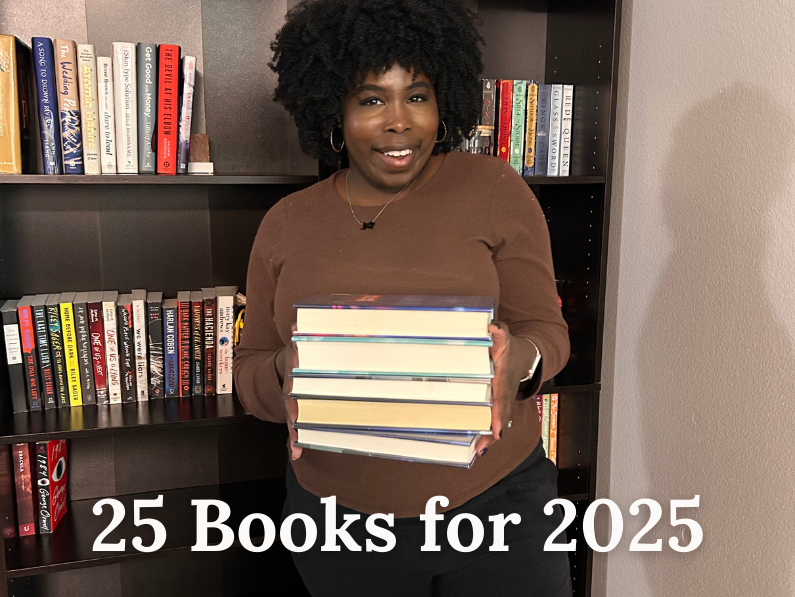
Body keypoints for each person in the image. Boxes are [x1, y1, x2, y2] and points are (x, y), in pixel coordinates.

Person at [233, 0, 572, 594]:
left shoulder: (493, 188)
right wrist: (286, 371)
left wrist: (521, 358)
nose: (399, 121)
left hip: (498, 509)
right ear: (332, 109)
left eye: (416, 95)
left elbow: (548, 331)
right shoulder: (286, 224)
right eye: (370, 99)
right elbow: (251, 374)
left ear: (443, 104)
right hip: (340, 529)